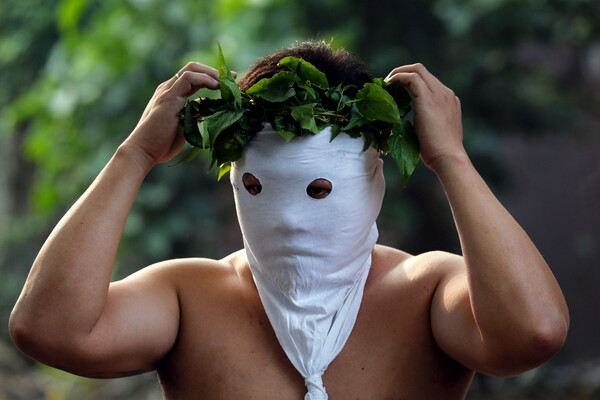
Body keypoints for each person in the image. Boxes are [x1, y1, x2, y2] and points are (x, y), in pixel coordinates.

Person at [9, 41, 569, 399]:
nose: (294, 222)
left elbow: (534, 334)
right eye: (256, 186)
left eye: (320, 189)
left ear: (371, 175)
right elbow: (48, 331)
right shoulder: (189, 296)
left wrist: (450, 157)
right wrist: (134, 154)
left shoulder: (427, 294)